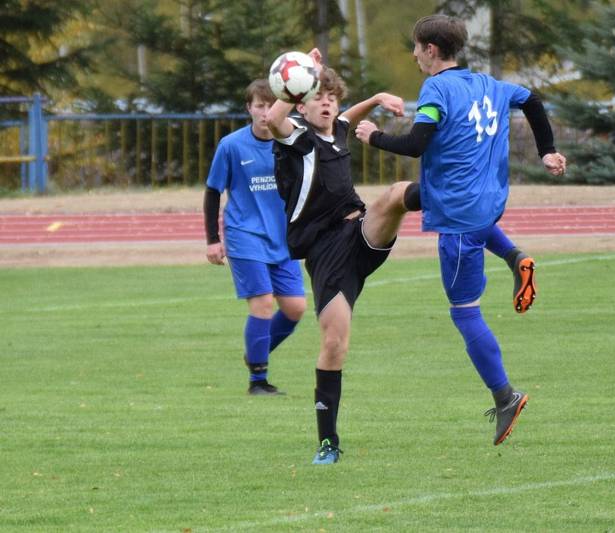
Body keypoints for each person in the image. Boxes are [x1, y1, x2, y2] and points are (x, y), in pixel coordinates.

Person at [354, 14, 567, 446]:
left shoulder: (436, 89)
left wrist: (373, 136)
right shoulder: (489, 84)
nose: (414, 55)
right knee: (404, 194)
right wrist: (548, 151)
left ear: (431, 50)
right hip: (485, 199)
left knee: (464, 310)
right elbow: (533, 100)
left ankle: (506, 395)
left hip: (457, 213)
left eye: (415, 47)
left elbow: (416, 143)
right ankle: (514, 257)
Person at [265, 49, 421, 465]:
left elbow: (350, 115)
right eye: (319, 96)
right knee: (334, 344)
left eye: (331, 96)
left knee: (393, 195)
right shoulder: (296, 137)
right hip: (325, 252)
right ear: (303, 101)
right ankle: (328, 442)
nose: (327, 102)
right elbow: (272, 121)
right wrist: (302, 77)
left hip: (359, 233)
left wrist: (380, 97)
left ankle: (451, 194)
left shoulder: (338, 130)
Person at [204, 80, 307, 396]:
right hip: (244, 235)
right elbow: (212, 192)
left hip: (283, 238)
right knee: (262, 303)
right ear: (248, 108)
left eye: (270, 105)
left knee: (295, 308)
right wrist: (212, 238)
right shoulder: (232, 146)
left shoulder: (291, 141)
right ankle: (258, 380)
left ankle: (256, 353)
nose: (265, 112)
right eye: (258, 106)